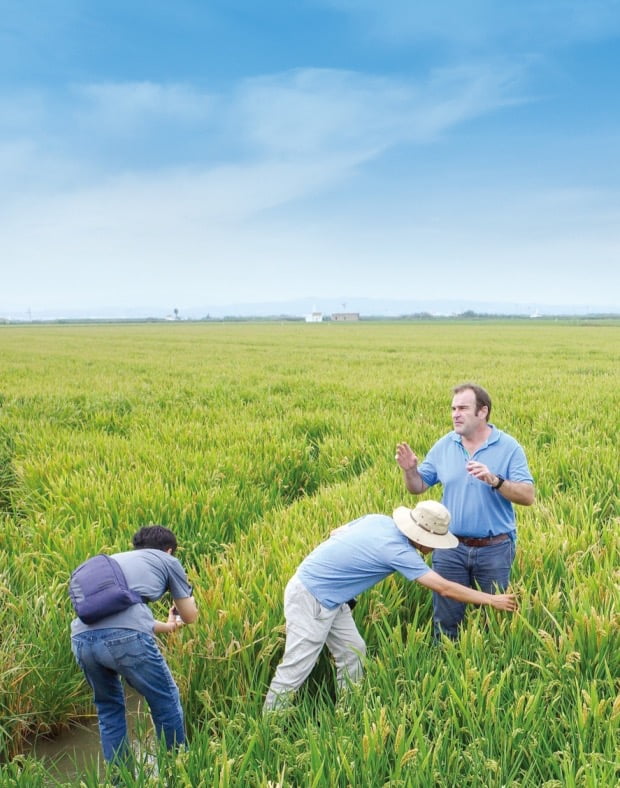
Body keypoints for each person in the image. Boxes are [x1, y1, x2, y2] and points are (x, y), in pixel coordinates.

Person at [263, 501, 517, 712]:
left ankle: (348, 711)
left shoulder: (378, 520)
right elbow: (444, 588)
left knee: (354, 652)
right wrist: (492, 599)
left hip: (327, 594)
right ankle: (270, 727)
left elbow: (335, 533)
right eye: (434, 542)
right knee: (297, 665)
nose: (433, 548)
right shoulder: (398, 552)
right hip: (312, 598)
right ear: (422, 537)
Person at [396, 382, 534, 640]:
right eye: (453, 408)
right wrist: (409, 470)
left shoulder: (508, 447)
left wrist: (496, 481)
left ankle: (491, 666)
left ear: (483, 412)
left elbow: (528, 496)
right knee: (446, 620)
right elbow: (418, 487)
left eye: (462, 408)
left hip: (495, 548)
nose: (455, 414)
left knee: (494, 620)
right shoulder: (445, 445)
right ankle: (445, 667)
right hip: (450, 547)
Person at [70, 525, 198, 767]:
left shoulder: (117, 562)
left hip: (82, 640)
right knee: (166, 700)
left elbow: (119, 617)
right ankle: (178, 773)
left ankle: (120, 781)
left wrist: (168, 627)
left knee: (109, 709)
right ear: (169, 550)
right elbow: (190, 616)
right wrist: (184, 614)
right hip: (126, 641)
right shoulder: (167, 560)